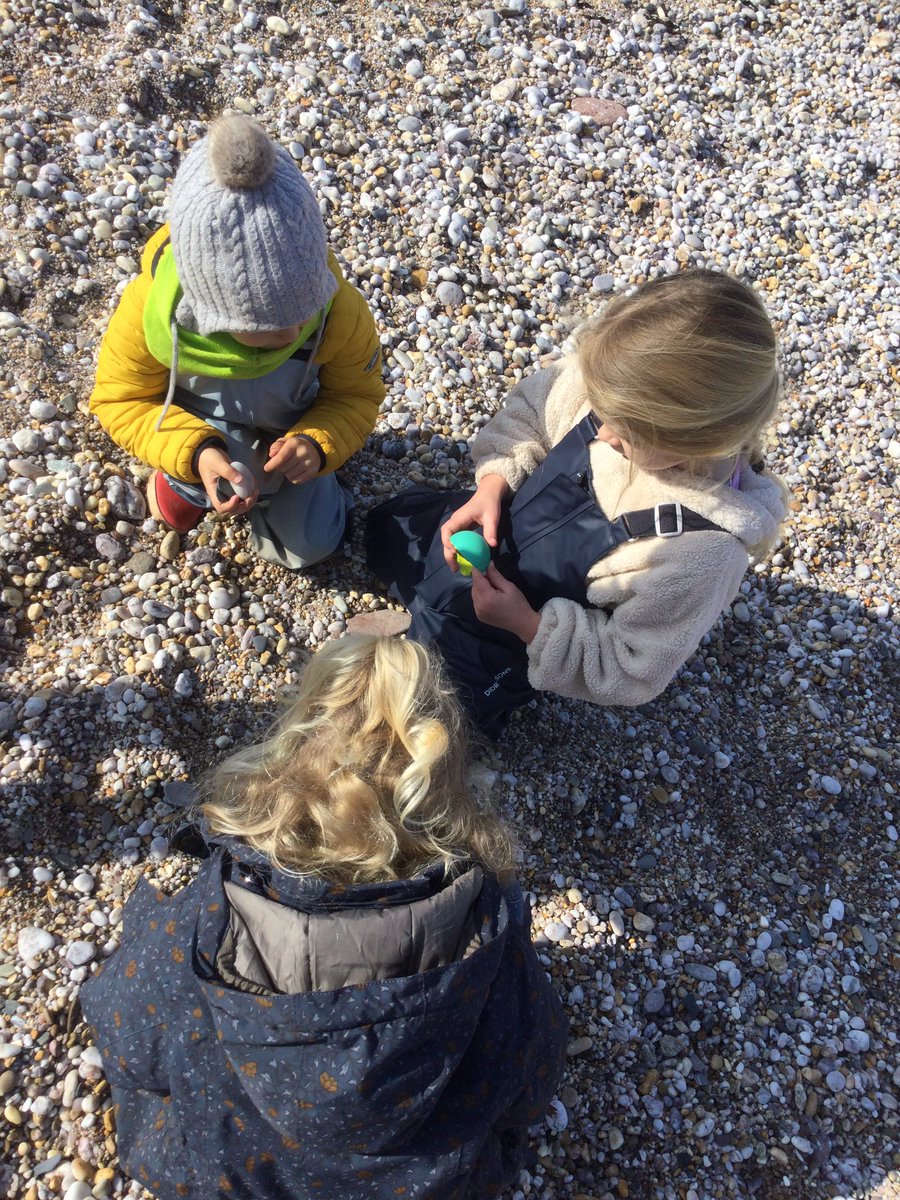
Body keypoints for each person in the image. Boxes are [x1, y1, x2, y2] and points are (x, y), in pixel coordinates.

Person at [80, 636, 567, 1200]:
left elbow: (123, 1033)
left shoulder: (205, 922)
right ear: (442, 778)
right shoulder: (489, 937)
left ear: (293, 753)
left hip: (238, 1177)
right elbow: (533, 1079)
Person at [367, 269, 788, 737]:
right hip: (489, 535)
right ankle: (417, 611)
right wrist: (491, 486)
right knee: (382, 534)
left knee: (426, 721)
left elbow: (629, 669)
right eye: (599, 413)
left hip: (511, 636)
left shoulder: (701, 552)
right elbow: (528, 412)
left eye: (624, 435)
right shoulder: (615, 383)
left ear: (700, 439)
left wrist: (528, 625)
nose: (601, 434)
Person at [89, 113, 384, 570]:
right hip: (201, 429)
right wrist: (195, 453)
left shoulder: (340, 311)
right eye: (264, 328)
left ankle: (290, 491)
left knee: (313, 545)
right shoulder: (152, 313)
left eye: (303, 314)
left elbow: (357, 397)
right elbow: (120, 401)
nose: (290, 334)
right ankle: (184, 480)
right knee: (186, 495)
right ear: (207, 309)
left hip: (290, 440)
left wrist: (318, 443)